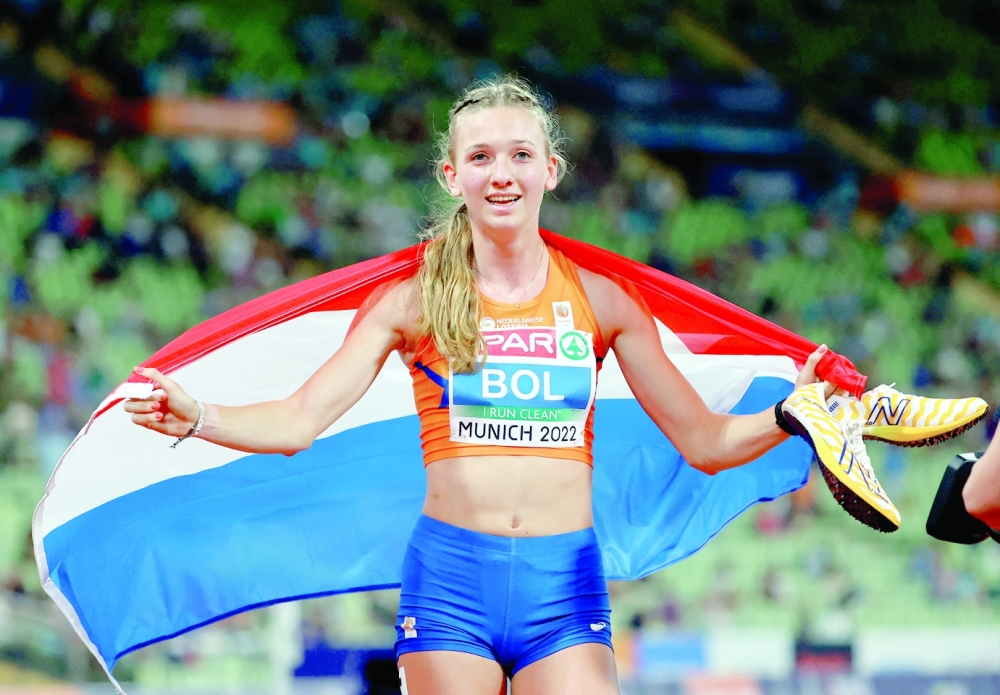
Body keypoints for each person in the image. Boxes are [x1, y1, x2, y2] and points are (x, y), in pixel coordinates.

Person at [120, 76, 915, 694]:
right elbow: (299, 421)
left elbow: (705, 443)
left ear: (551, 170)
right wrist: (199, 415)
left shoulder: (604, 302)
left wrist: (787, 413)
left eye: (520, 155)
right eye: (481, 157)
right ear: (452, 173)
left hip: (565, 586)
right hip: (450, 581)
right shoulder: (412, 302)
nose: (501, 173)